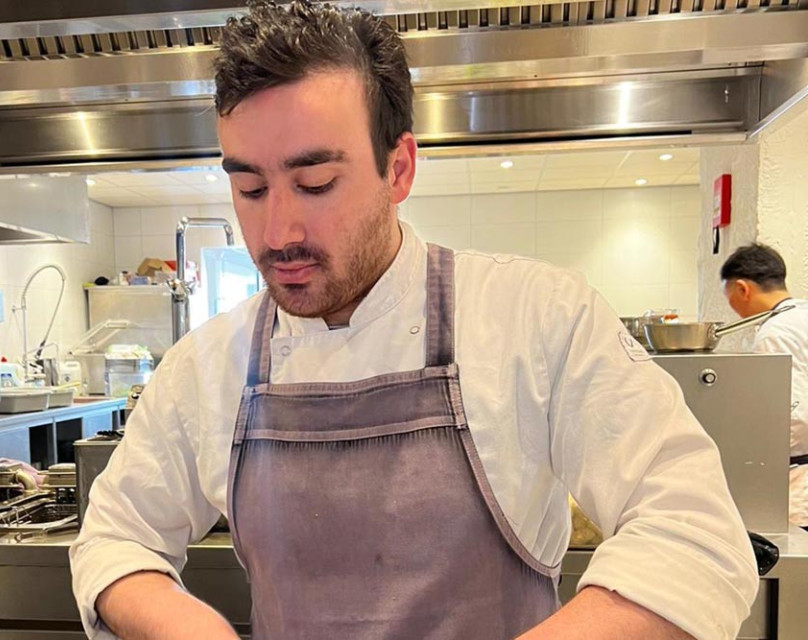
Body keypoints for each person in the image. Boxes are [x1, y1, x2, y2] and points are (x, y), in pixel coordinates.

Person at [70, 3, 758, 639]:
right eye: (250, 188)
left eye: (316, 184)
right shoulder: (208, 364)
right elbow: (113, 538)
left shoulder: (535, 318)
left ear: (398, 169)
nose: (277, 232)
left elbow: (695, 538)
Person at [722, 243, 808, 528]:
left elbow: (793, 415)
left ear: (743, 288)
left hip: (800, 479)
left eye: (729, 297)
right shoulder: (802, 315)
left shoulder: (775, 332)